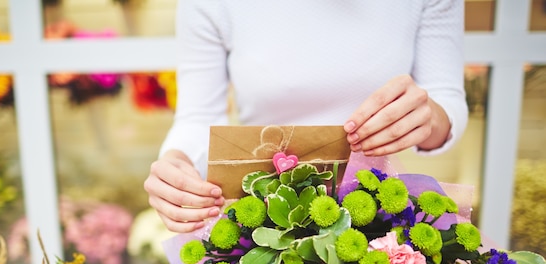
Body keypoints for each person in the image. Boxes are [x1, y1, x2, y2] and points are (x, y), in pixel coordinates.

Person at [144, 0, 468, 233]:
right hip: (264, 220)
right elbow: (198, 117)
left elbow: (445, 97)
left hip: (380, 216)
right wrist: (176, 161)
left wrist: (430, 118)